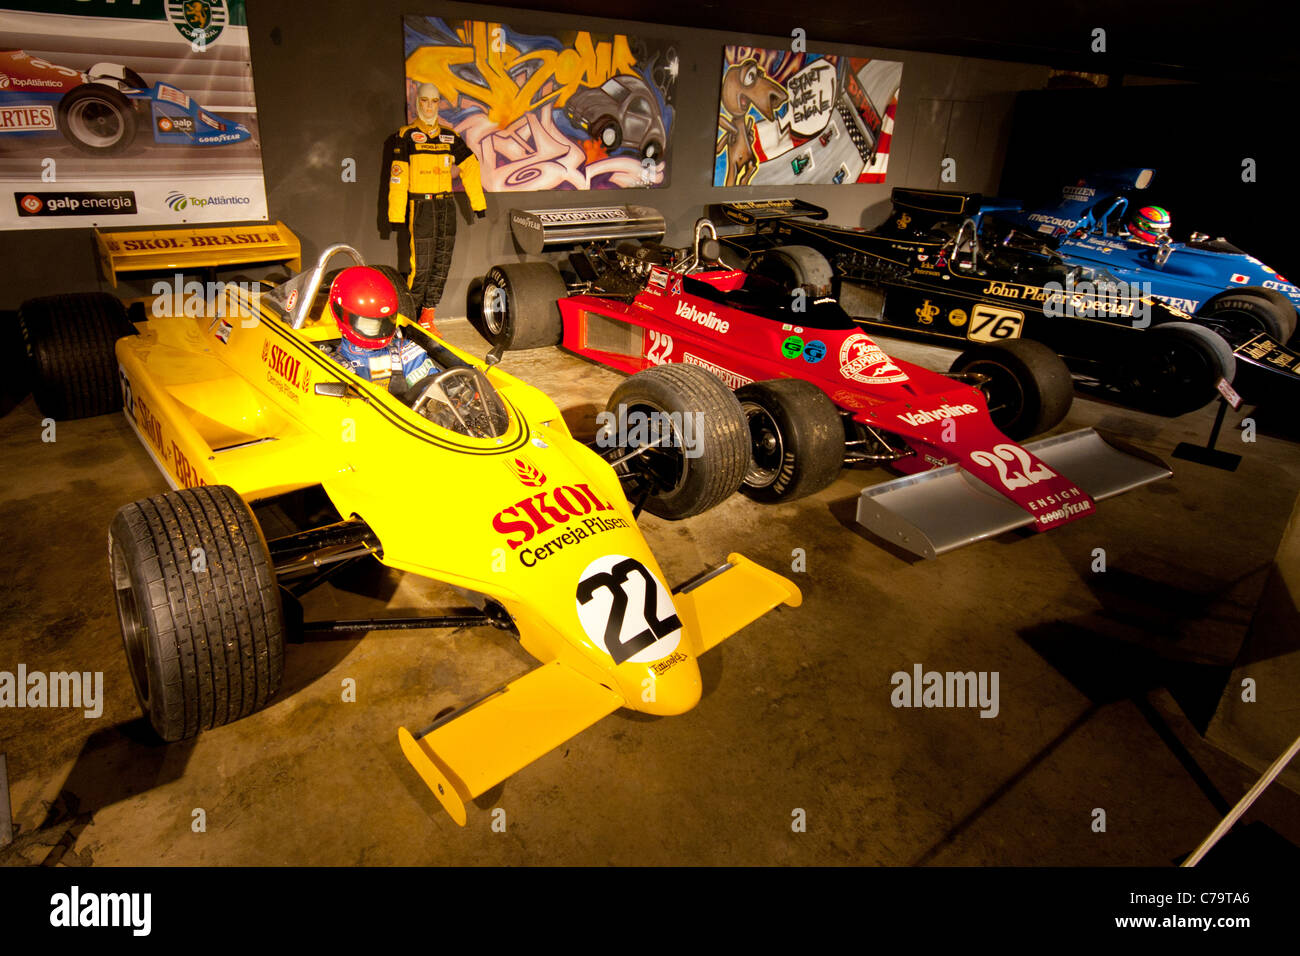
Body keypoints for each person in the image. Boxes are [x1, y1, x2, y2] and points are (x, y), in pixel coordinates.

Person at [388, 82, 487, 334]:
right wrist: (396, 213)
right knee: (420, 266)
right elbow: (398, 176)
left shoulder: (449, 136)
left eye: (434, 101)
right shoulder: (405, 135)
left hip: (446, 206)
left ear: (439, 103)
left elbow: (471, 165)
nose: (429, 106)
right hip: (420, 206)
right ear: (417, 102)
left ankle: (427, 318)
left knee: (441, 264)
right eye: (424, 101)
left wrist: (478, 202)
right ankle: (407, 321)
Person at [327, 266, 437, 395]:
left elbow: (434, 388)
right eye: (367, 322)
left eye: (383, 322)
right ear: (342, 315)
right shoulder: (332, 368)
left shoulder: (405, 352)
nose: (376, 329)